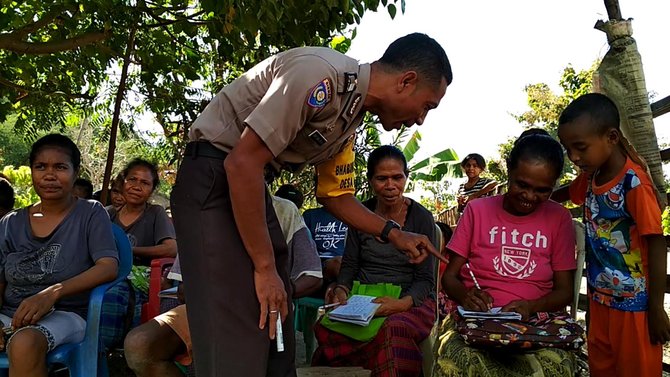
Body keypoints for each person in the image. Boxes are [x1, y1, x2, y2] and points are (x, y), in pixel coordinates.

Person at [170, 32, 452, 376]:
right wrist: (263, 267)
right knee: (238, 324)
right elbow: (241, 163)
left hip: (249, 187)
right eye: (427, 106)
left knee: (277, 315)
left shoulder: (350, 118)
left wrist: (394, 234)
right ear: (406, 81)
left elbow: (335, 196)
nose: (421, 119)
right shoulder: (319, 76)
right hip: (214, 181)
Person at [124, 194, 323, 376]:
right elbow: (183, 285)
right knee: (140, 345)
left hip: (263, 313)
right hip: (209, 311)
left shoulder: (283, 210)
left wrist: (283, 292)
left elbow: (313, 275)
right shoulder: (204, 210)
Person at [433, 134, 577, 376]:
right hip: (476, 321)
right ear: (509, 169)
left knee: (554, 365)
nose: (530, 196)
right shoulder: (477, 211)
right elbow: (449, 277)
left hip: (537, 322)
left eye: (543, 190)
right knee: (458, 359)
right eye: (522, 185)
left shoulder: (559, 218)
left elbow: (564, 292)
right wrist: (467, 296)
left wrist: (532, 306)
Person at [555, 93, 670, 377]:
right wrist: (540, 195)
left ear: (612, 137)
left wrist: (656, 307)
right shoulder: (591, 177)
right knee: (601, 369)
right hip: (600, 303)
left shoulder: (634, 185)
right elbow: (569, 194)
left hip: (635, 309)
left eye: (580, 147)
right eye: (568, 149)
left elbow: (656, 243)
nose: (574, 157)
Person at [312, 145, 437, 377]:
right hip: (365, 297)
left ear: (406, 177)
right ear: (370, 180)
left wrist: (400, 304)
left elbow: (425, 279)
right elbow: (349, 265)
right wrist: (341, 288)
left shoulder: (421, 218)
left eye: (397, 177)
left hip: (412, 299)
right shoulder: (361, 215)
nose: (390, 185)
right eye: (382, 178)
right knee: (326, 327)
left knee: (393, 329)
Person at [0, 134, 118, 377]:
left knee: (24, 343)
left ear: (75, 173)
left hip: (66, 315)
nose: (49, 175)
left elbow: (108, 266)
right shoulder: (9, 223)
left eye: (61, 167)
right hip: (9, 315)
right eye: (40, 166)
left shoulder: (90, 213)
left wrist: (52, 293)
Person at [101, 158, 177, 349]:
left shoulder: (155, 213)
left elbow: (171, 248)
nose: (136, 186)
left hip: (141, 276)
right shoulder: (107, 214)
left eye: (144, 183)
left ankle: (103, 347)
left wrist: (129, 251)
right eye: (132, 180)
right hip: (105, 272)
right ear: (122, 182)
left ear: (151, 190)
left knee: (115, 292)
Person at [303, 205, 348, 285]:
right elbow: (304, 246)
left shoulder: (352, 216)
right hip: (320, 262)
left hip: (346, 262)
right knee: (337, 263)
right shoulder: (310, 215)